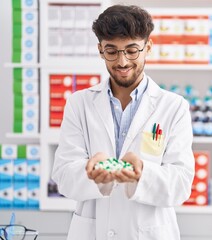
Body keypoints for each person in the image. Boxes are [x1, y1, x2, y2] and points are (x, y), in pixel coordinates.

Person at [51, 4, 195, 240]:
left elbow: (181, 184)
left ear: (147, 47)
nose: (122, 61)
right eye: (112, 51)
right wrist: (91, 172)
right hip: (92, 231)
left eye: (131, 50)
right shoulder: (79, 103)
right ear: (100, 50)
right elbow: (64, 176)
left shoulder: (173, 107)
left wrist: (142, 174)